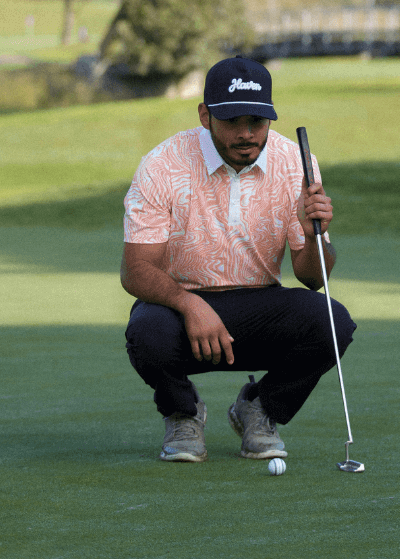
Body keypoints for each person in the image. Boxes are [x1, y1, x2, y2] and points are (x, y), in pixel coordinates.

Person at [121, 55, 356, 463]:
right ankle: (183, 412)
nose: (246, 134)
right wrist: (189, 304)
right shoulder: (163, 164)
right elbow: (136, 270)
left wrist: (311, 232)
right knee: (146, 333)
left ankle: (259, 408)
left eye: (257, 122)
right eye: (232, 121)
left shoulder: (295, 163)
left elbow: (313, 277)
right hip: (180, 308)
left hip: (260, 306)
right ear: (205, 115)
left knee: (332, 322)